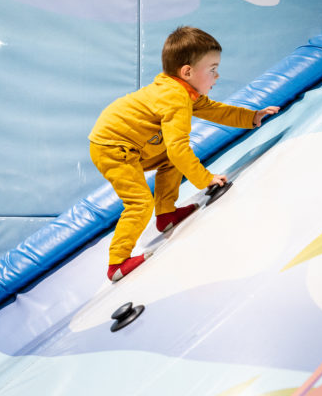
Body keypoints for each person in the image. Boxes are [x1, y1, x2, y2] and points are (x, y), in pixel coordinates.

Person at [89, 26, 280, 281]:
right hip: (112, 147)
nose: (217, 75)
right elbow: (180, 148)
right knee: (140, 203)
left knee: (169, 159)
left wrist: (252, 117)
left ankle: (166, 213)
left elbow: (216, 111)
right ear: (187, 72)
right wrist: (206, 179)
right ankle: (117, 263)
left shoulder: (182, 91)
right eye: (212, 70)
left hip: (136, 144)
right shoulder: (175, 97)